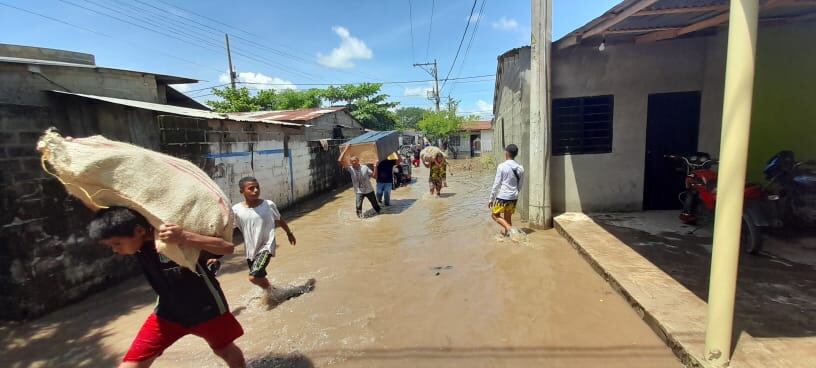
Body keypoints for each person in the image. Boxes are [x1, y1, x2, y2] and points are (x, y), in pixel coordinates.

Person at [88, 207, 245, 368]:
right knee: (131, 364)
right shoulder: (139, 245)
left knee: (224, 350)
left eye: (117, 244)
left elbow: (227, 248)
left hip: (207, 308)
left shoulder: (173, 235)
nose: (115, 250)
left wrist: (184, 236)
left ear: (139, 230)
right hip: (167, 313)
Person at [232, 177, 298, 293]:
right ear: (242, 191)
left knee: (253, 277)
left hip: (266, 247)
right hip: (251, 250)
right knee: (259, 277)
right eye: (251, 188)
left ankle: (274, 293)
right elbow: (228, 230)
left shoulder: (268, 205)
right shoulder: (236, 210)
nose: (256, 190)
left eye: (257, 187)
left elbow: (279, 219)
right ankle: (275, 293)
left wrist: (289, 233)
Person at [489, 144, 525, 236]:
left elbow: (496, 184)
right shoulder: (520, 168)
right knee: (508, 218)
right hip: (514, 196)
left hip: (503, 197)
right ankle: (509, 237)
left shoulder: (501, 166)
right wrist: (514, 193)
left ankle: (510, 229)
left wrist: (491, 199)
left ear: (507, 153)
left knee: (494, 215)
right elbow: (520, 185)